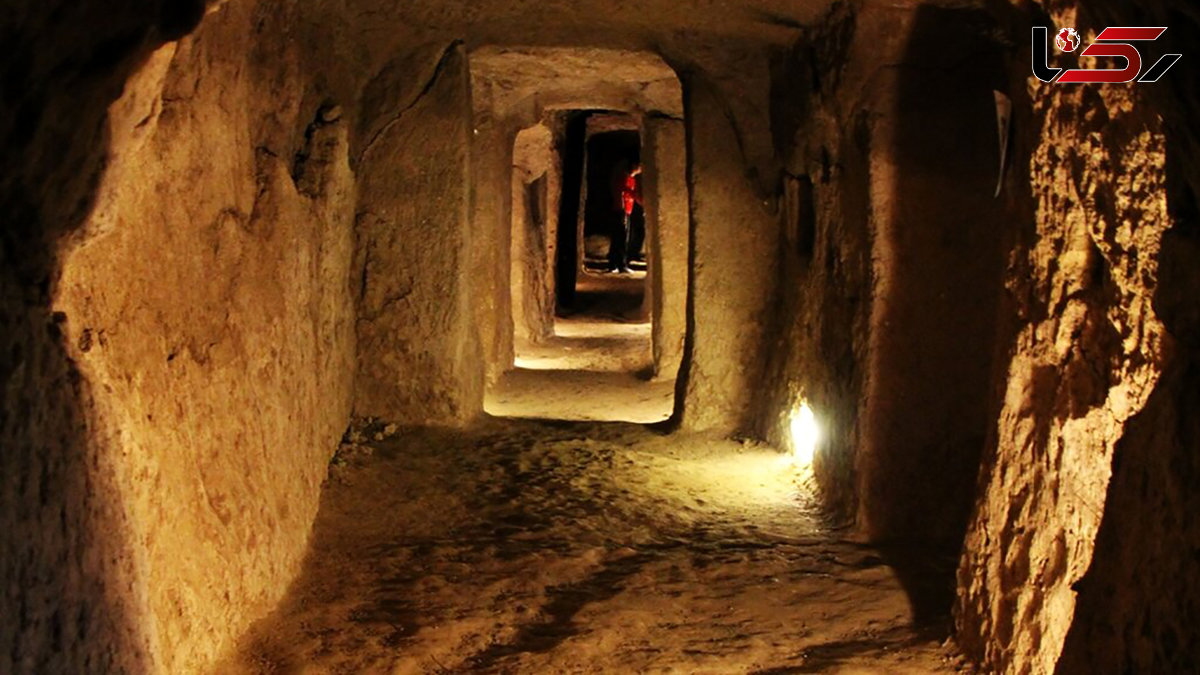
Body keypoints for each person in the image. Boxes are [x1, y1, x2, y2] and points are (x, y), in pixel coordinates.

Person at [608, 161, 643, 273]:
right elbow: (621, 192)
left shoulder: (631, 179)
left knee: (621, 237)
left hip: (626, 210)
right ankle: (619, 264)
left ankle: (616, 264)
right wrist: (621, 209)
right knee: (621, 237)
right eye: (639, 166)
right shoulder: (623, 177)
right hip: (621, 210)